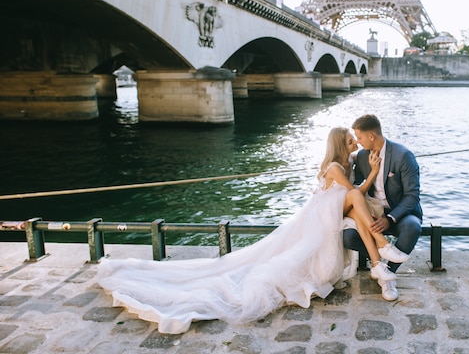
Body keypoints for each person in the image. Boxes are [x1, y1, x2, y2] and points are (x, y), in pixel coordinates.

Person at [97, 126, 405, 334]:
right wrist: (375, 172)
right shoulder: (336, 168)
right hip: (323, 216)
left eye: (355, 140)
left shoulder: (347, 161)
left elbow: (355, 186)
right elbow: (354, 191)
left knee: (360, 214)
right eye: (351, 141)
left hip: (335, 211)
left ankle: (379, 262)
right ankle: (382, 250)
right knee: (355, 201)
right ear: (341, 145)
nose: (355, 144)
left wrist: (372, 158)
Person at [344, 114, 423, 301]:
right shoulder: (362, 156)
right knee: (347, 236)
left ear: (371, 136)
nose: (358, 141)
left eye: (360, 137)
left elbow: (412, 196)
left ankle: (388, 277)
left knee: (413, 227)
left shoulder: (403, 156)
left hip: (400, 213)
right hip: (373, 212)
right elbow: (350, 181)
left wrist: (390, 219)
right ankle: (378, 265)